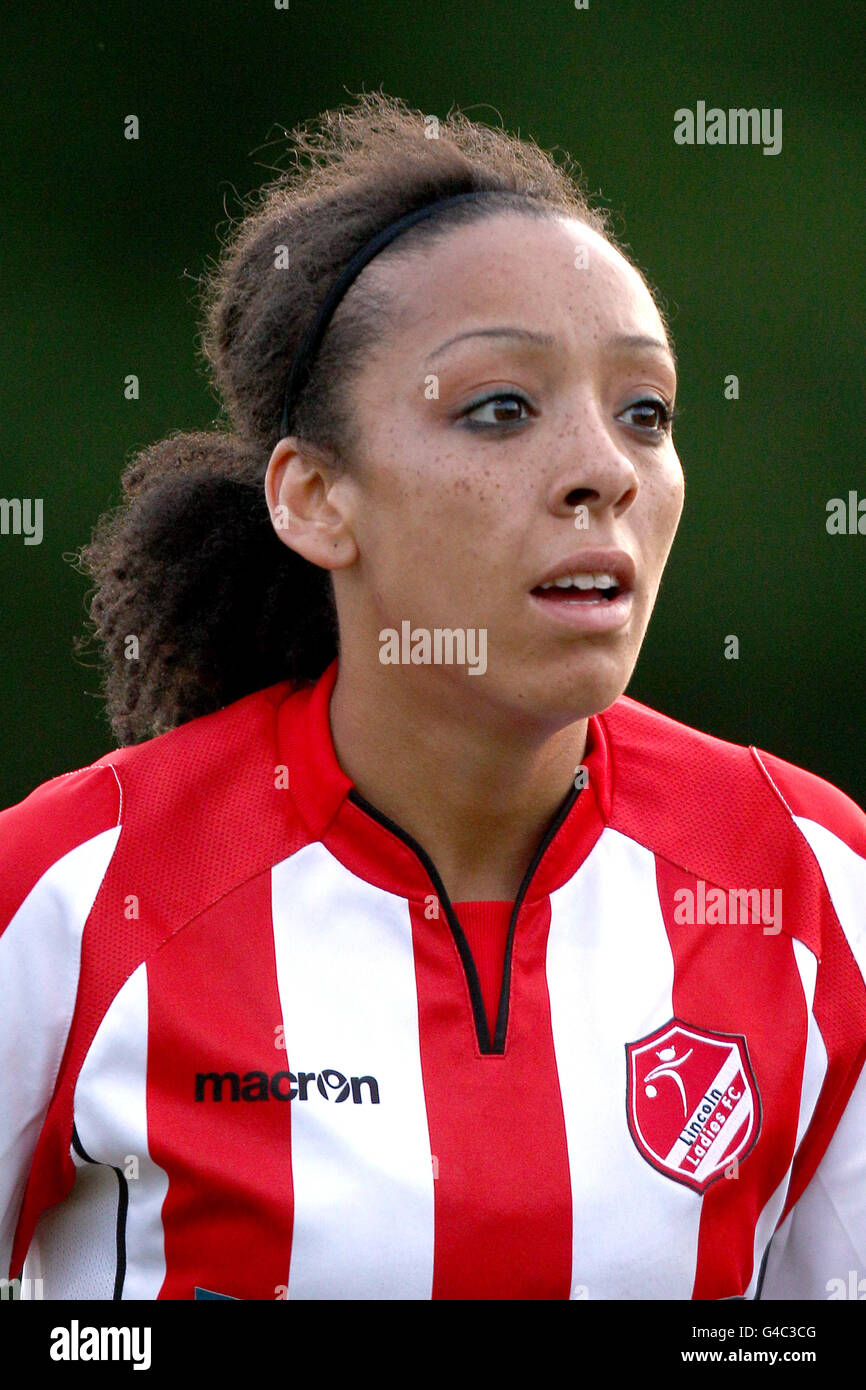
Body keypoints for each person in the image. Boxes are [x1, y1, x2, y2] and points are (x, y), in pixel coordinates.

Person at [1, 91, 864, 1302]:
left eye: (645, 412)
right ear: (312, 498)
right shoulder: (62, 898)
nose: (601, 473)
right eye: (499, 408)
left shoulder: (810, 884)